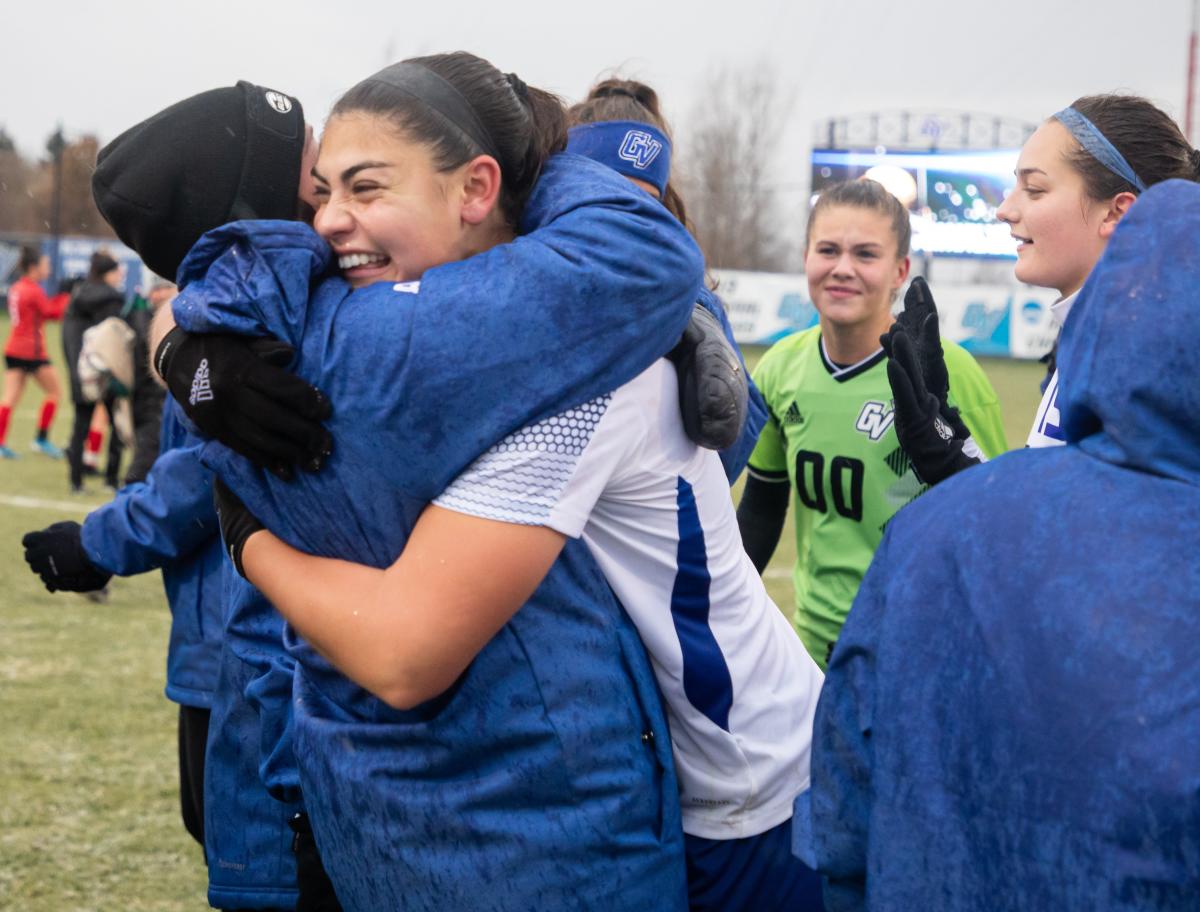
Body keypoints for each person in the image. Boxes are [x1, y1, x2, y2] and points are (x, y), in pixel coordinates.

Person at [123, 53, 714, 911]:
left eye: (359, 186)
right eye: (317, 188)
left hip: (364, 807)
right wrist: (541, 166)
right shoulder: (397, 341)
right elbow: (649, 261)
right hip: (541, 825)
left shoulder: (246, 332)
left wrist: (181, 350)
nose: (328, 219)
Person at [799, 177, 1200, 912]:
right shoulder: (793, 374)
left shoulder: (942, 526)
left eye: (1035, 184)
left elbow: (845, 815)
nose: (1008, 206)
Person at [736, 179, 1007, 670]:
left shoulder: (950, 374)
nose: (842, 268)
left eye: (865, 254)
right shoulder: (780, 367)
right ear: (806, 258)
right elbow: (761, 508)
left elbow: (996, 523)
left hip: (918, 651)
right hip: (811, 654)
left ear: (900, 270)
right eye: (828, 250)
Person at [885, 94, 1200, 484]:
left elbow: (1082, 538)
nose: (1005, 210)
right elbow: (1044, 520)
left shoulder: (1145, 366)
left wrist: (947, 464)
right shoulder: (1102, 339)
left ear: (1118, 211)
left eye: (1034, 190)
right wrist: (950, 452)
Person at [565, 77, 767, 479]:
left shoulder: (688, 300)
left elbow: (731, 445)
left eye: (646, 203)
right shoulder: (522, 276)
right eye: (610, 196)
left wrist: (694, 313)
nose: (630, 219)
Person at [63, 251, 126, 490]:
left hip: (82, 370)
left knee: (81, 426)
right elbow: (117, 335)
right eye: (116, 270)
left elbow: (68, 338)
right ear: (107, 273)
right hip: (105, 369)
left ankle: (76, 481)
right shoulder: (112, 299)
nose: (120, 274)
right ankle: (111, 479)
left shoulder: (78, 295)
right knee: (117, 425)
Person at [1, 246, 66, 459]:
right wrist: (67, 298)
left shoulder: (17, 287)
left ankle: (1, 443)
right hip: (31, 351)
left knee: (9, 398)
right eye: (45, 265)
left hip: (13, 348)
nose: (48, 268)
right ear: (33, 267)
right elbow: (51, 313)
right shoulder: (33, 289)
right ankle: (41, 439)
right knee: (55, 392)